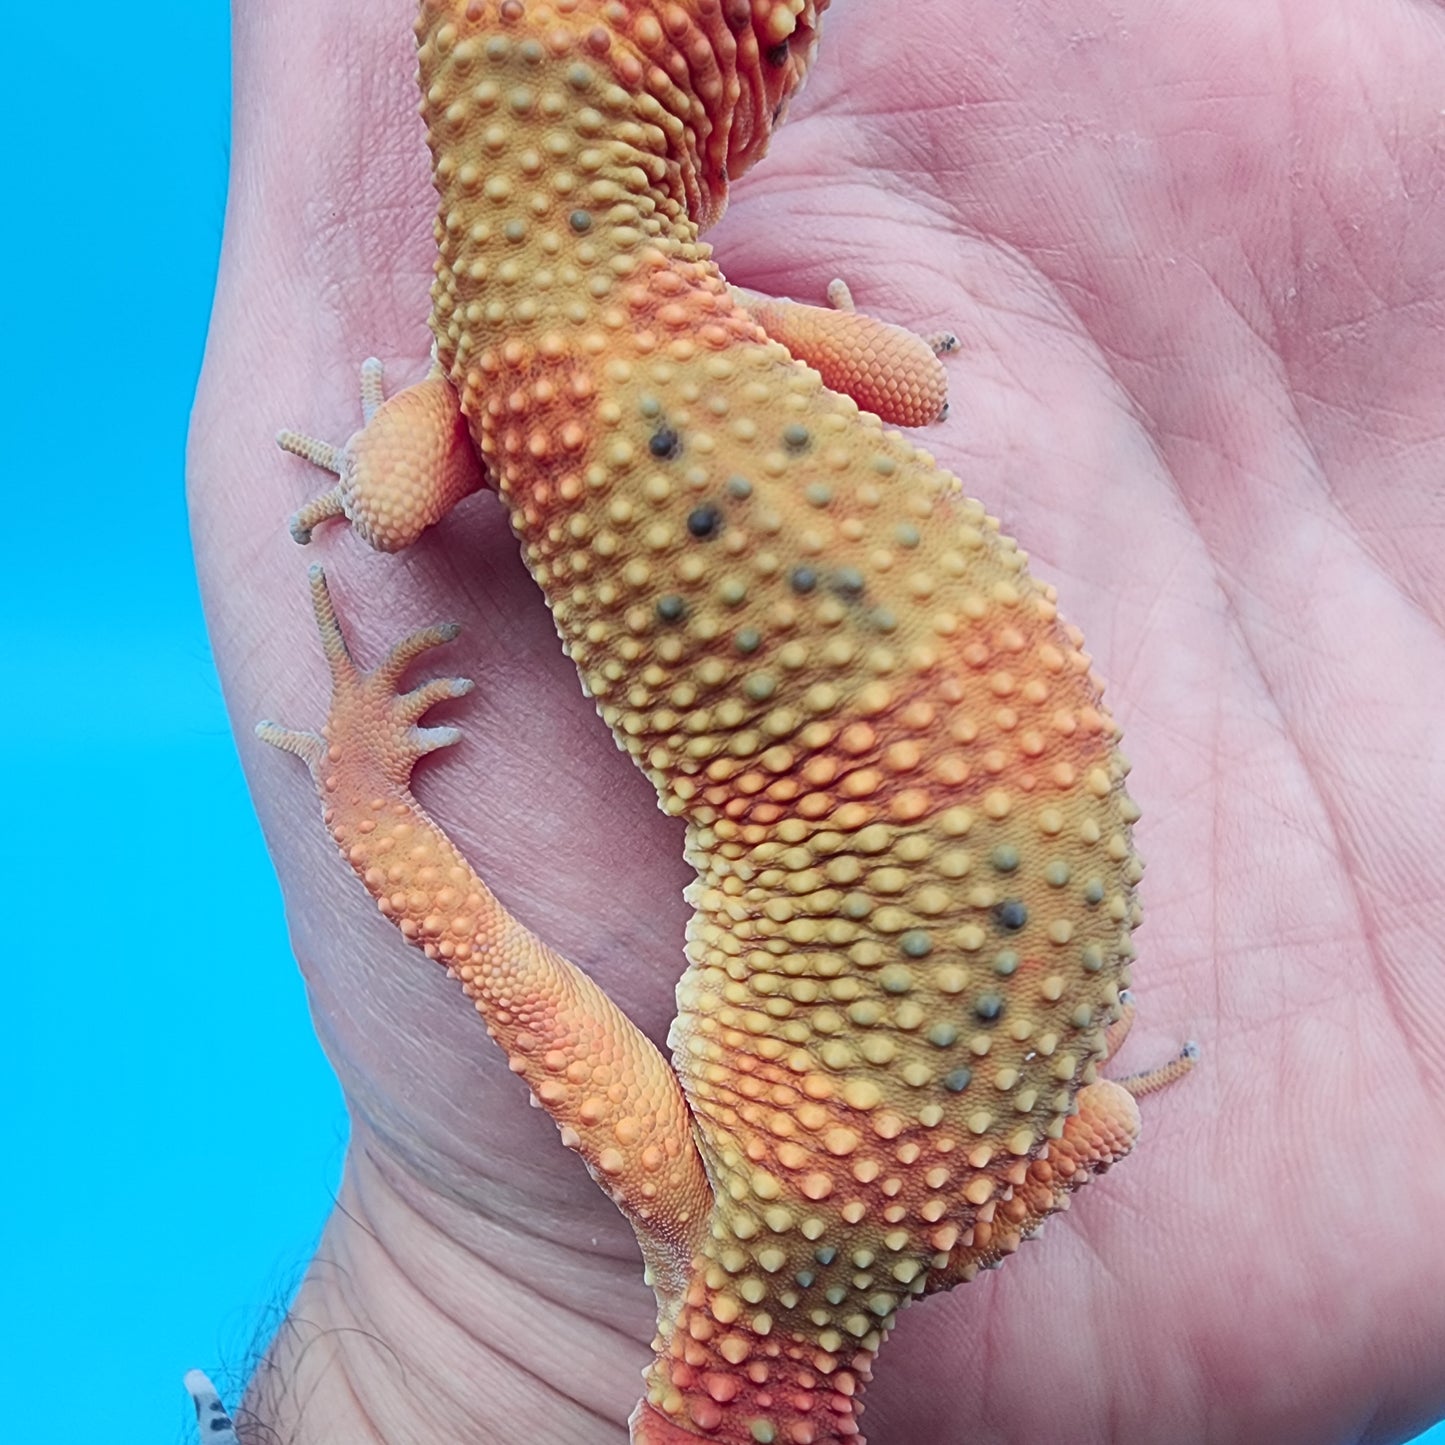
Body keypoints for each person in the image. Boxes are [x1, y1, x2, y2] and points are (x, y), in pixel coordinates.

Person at [188, 0, 1445, 1439]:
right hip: (974, 923)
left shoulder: (505, 381)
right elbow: (909, 380)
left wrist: (364, 773)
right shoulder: (710, 1192)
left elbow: (389, 503)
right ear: (743, 87)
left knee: (1095, 1115)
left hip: (992, 1119)